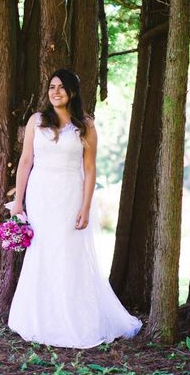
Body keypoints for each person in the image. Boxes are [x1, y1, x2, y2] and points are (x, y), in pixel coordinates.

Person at [7, 68, 142, 349]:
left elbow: (90, 169)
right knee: (43, 251)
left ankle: (74, 319)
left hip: (71, 194)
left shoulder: (85, 126)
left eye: (61, 87)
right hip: (41, 194)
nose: (55, 92)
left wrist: (85, 206)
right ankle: (40, 318)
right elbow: (26, 161)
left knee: (69, 254)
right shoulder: (37, 121)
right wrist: (18, 201)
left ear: (72, 92)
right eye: (51, 87)